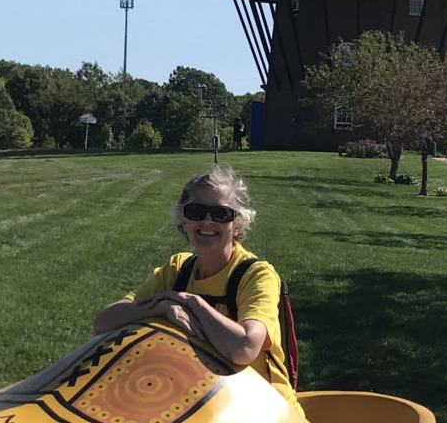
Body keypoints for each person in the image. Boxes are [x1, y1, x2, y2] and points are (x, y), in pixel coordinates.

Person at [93, 164, 298, 410]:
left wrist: (193, 303)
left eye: (221, 214)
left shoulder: (255, 274)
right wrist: (162, 306)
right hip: (208, 410)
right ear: (184, 221)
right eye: (196, 211)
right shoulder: (178, 269)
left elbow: (244, 347)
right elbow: (104, 323)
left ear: (238, 224)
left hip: (269, 415)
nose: (207, 221)